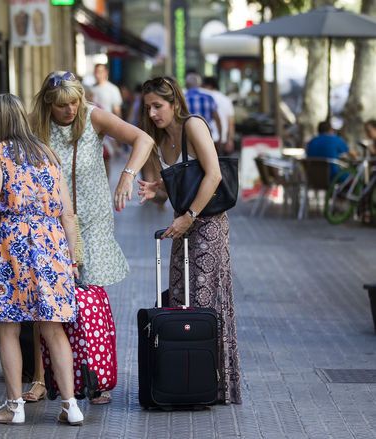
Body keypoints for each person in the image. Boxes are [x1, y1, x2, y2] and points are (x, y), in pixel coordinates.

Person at [25, 71, 154, 405]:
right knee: (47, 301)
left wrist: (127, 176)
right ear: (48, 105)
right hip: (52, 222)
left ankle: (95, 375)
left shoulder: (92, 115)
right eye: (62, 105)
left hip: (92, 222)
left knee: (90, 299)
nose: (70, 110)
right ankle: (42, 377)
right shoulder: (35, 125)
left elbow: (143, 139)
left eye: (74, 102)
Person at [0, 93, 84, 426]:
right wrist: (71, 258)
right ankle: (71, 405)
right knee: (53, 329)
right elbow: (68, 213)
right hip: (52, 246)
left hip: (14, 245)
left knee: (8, 327)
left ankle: (14, 407)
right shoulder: (46, 152)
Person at [136, 76, 241, 404]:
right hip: (182, 224)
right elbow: (175, 187)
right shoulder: (157, 140)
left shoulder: (193, 126)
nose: (153, 113)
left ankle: (213, 382)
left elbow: (213, 174)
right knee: (181, 298)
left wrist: (189, 216)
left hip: (206, 222)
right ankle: (184, 375)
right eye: (148, 107)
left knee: (205, 297)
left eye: (158, 106)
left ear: (174, 104)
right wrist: (157, 190)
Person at [202, 76, 235, 154]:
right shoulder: (226, 99)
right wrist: (230, 140)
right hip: (222, 140)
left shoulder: (203, 97)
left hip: (205, 139)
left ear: (208, 85)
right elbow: (231, 123)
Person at [184, 72, 221, 143]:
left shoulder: (182, 99)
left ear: (186, 85)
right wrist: (220, 137)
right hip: (207, 136)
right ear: (199, 84)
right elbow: (217, 119)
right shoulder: (209, 98)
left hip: (188, 138)